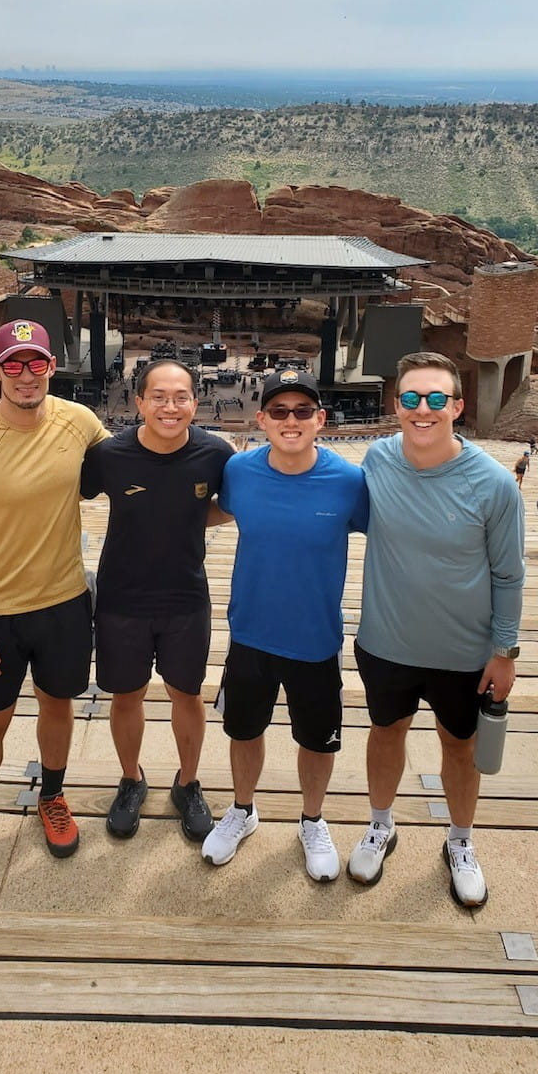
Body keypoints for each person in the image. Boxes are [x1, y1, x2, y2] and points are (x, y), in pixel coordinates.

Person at [0, 319, 107, 882]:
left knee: (58, 707)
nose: (26, 375)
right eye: (13, 363)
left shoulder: (80, 422)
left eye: (36, 363)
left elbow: (138, 466)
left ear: (52, 367)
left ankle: (51, 796)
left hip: (64, 604)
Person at [348, 352, 524, 908]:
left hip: (464, 650)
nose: (422, 410)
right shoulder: (376, 459)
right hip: (387, 641)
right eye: (410, 398)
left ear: (457, 405)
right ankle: (381, 825)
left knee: (459, 746)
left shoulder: (494, 484)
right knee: (386, 733)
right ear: (395, 405)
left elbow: (509, 573)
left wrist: (505, 651)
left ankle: (460, 841)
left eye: (435, 399)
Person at [201, 369, 369, 882]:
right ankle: (243, 810)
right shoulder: (241, 472)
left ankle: (312, 821)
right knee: (243, 730)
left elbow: (393, 532)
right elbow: (209, 513)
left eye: (302, 412)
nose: (290, 420)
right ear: (261, 419)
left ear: (321, 420)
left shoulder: (349, 481)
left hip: (316, 639)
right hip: (250, 633)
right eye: (279, 411)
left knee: (317, 740)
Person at [81, 360, 233, 842]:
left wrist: (186, 521)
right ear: (139, 402)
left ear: (195, 402)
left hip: (186, 596)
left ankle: (188, 783)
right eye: (160, 397)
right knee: (126, 694)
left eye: (181, 397)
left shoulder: (215, 453)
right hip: (121, 597)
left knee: (187, 694)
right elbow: (67, 493)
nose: (171, 407)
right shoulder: (109, 455)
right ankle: (131, 779)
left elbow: (231, 504)